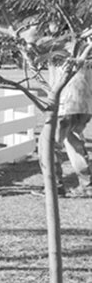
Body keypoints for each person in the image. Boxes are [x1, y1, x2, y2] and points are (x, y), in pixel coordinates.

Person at [50, 63, 92, 197]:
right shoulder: (86, 54)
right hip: (85, 104)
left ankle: (55, 186)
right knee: (75, 143)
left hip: (65, 103)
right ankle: (86, 185)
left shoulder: (60, 54)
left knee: (53, 145)